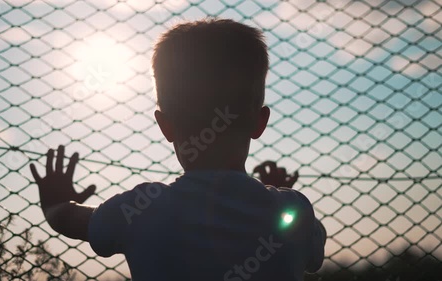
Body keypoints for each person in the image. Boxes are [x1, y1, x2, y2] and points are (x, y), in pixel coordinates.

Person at [30, 18, 326, 281]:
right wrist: (275, 192)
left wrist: (56, 201)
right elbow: (312, 252)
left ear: (165, 125)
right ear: (259, 122)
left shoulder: (140, 209)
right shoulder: (295, 211)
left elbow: (69, 220)